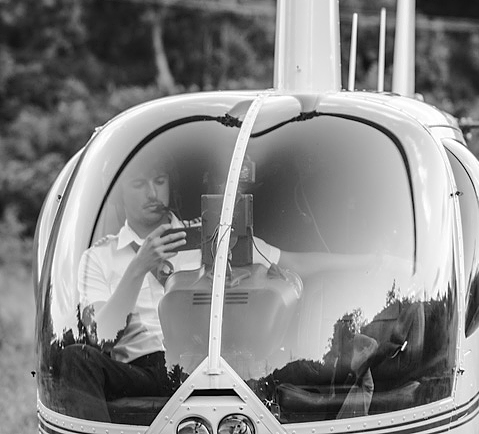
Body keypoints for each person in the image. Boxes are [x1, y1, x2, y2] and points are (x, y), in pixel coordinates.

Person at [56, 158, 387, 422]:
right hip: (148, 369)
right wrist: (138, 267)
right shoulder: (99, 258)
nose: (152, 194)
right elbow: (99, 337)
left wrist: (375, 261)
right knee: (75, 359)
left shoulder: (212, 235)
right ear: (118, 193)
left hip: (225, 355)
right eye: (139, 184)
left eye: (159, 181)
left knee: (329, 361)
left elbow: (297, 264)